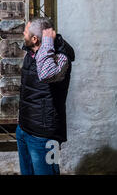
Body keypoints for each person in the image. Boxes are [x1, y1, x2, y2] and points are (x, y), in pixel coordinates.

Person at [16, 17, 75, 175]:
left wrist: (48, 42)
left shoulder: (61, 57)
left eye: (26, 31)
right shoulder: (31, 53)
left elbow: (46, 74)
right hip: (24, 129)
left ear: (35, 39)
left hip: (46, 136)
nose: (23, 33)